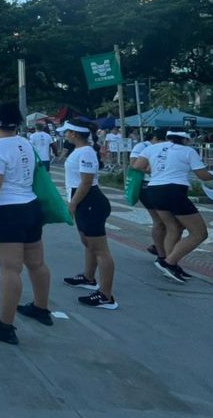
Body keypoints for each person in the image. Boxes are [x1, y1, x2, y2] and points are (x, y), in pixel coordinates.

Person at [0, 103, 52, 345]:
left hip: (7, 211)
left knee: (10, 269)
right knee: (36, 263)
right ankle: (41, 307)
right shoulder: (25, 143)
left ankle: (4, 325)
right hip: (30, 206)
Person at [133, 129, 213, 284]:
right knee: (199, 233)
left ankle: (169, 262)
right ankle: (169, 263)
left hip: (154, 189)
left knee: (174, 227)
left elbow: (137, 165)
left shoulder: (152, 148)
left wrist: (154, 170)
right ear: (185, 140)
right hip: (174, 190)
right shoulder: (188, 151)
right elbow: (203, 175)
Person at [59, 120, 118, 309]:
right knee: (88, 243)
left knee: (100, 250)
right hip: (83, 201)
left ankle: (106, 296)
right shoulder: (80, 151)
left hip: (90, 202)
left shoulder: (86, 152)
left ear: (74, 134)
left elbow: (86, 182)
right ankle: (88, 277)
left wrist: (73, 204)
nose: (65, 135)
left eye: (67, 132)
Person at [131, 129, 168, 259]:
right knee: (159, 220)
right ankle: (161, 252)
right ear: (155, 138)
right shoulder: (142, 146)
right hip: (147, 186)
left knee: (168, 221)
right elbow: (134, 164)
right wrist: (151, 169)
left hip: (162, 185)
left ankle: (160, 247)